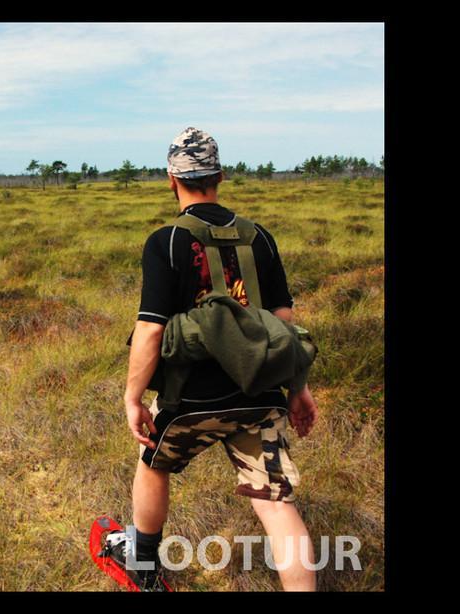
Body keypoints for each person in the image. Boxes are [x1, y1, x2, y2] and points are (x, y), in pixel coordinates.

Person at [114, 128, 319, 591]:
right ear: (220, 176)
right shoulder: (260, 237)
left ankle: (145, 571)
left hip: (190, 400)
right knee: (276, 504)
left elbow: (151, 329)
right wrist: (298, 390)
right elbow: (283, 322)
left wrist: (132, 398)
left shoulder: (165, 242)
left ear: (172, 179)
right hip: (260, 392)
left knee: (153, 464)